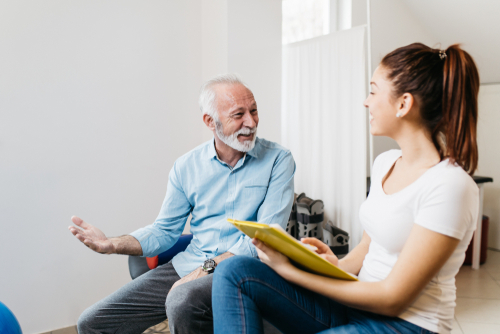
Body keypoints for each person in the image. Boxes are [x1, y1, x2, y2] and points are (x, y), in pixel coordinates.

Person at [212, 43, 480, 334]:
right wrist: (328, 263)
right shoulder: (385, 163)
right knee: (233, 271)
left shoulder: (450, 186)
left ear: (403, 104)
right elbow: (366, 249)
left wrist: (288, 270)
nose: (366, 101)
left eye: (374, 91)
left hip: (406, 325)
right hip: (354, 308)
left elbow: (392, 299)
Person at [69, 74, 295, 334]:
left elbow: (265, 237)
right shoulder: (186, 166)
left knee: (182, 300)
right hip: (189, 265)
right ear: (210, 121)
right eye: (239, 114)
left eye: (254, 111)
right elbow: (164, 232)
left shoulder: (278, 160)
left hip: (246, 269)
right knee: (92, 323)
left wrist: (207, 269)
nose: (251, 122)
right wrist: (111, 244)